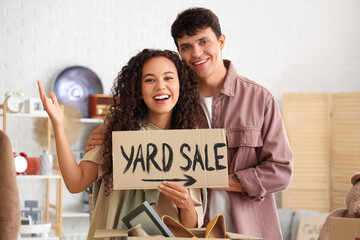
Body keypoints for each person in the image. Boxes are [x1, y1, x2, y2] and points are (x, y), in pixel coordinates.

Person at [86, 7, 293, 240]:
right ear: (179, 52)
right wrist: (110, 128)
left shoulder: (259, 99)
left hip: (248, 229)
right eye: (186, 47)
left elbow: (280, 171)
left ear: (221, 41)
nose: (196, 53)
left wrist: (211, 178)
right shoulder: (172, 98)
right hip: (189, 231)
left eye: (204, 41)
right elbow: (138, 118)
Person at [38, 49, 205, 240]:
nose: (161, 86)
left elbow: (191, 225)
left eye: (169, 78)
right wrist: (58, 126)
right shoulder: (118, 132)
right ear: (138, 90)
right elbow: (76, 182)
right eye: (150, 80)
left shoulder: (191, 145)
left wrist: (186, 204)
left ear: (181, 85)